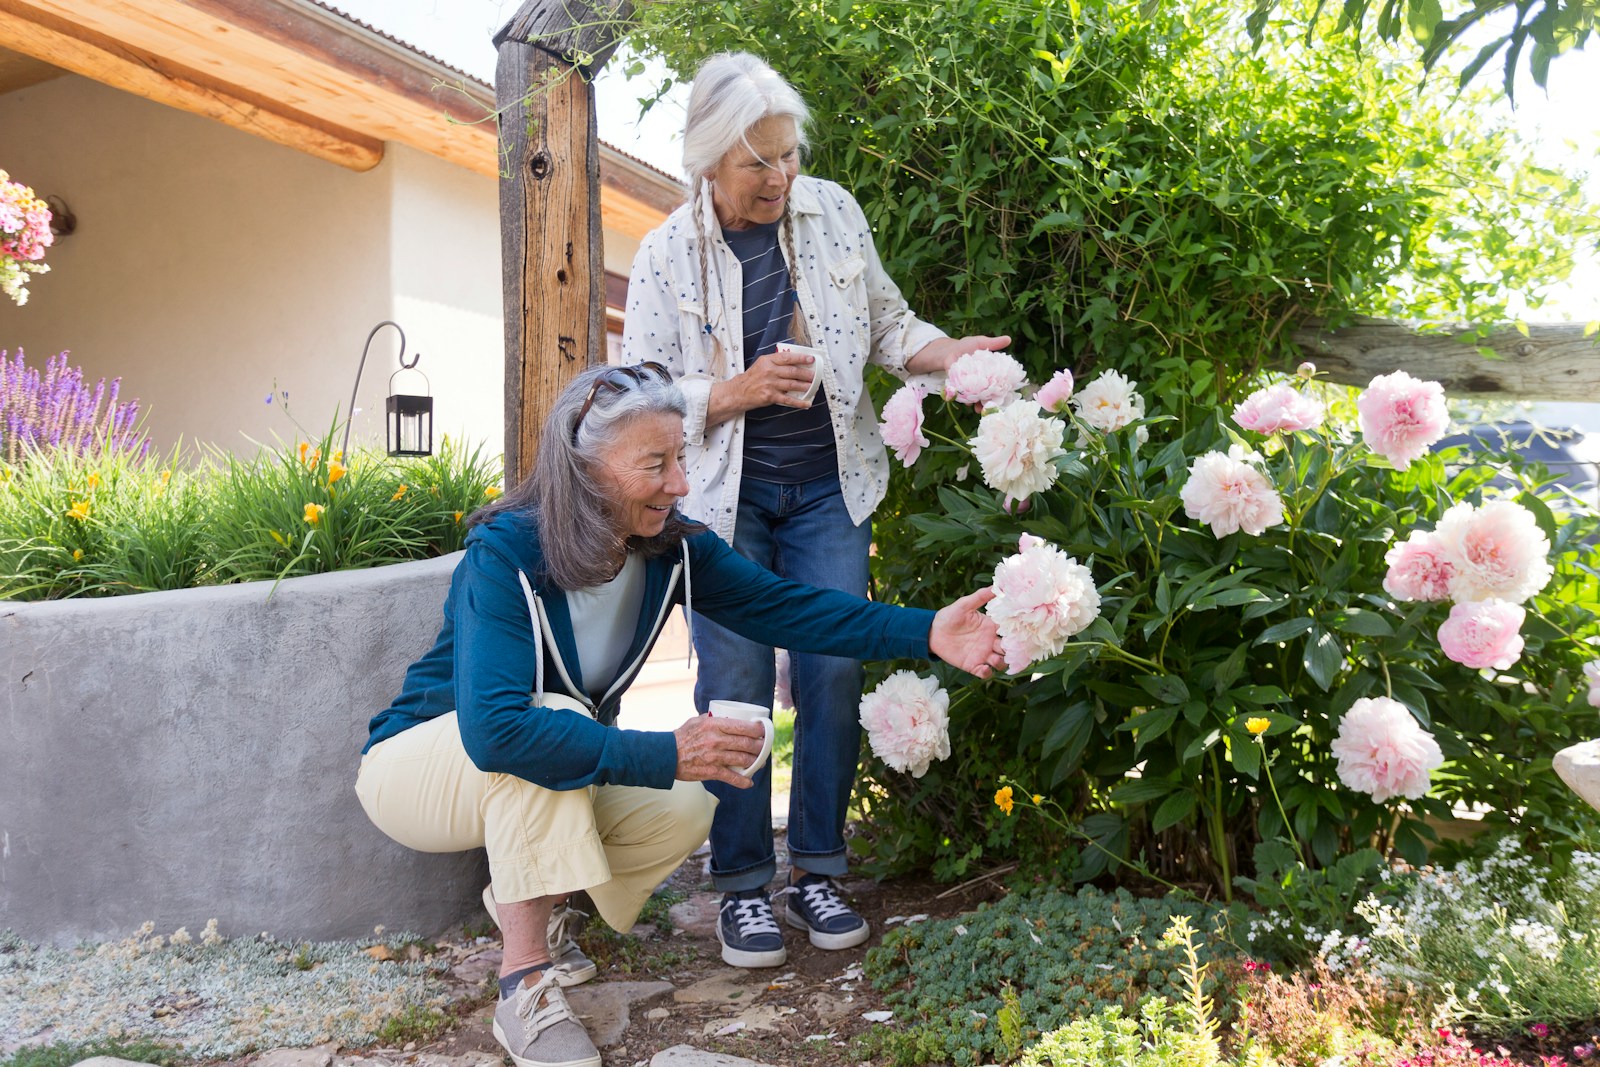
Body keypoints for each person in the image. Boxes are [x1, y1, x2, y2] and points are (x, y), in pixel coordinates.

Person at [355, 365, 1006, 1067]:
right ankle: (525, 984)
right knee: (545, 720)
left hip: (521, 759)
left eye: (680, 459)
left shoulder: (672, 549)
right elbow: (496, 731)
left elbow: (789, 606)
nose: (681, 483)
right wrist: (665, 752)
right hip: (416, 767)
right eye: (655, 464)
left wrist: (927, 632)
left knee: (694, 801)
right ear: (586, 468)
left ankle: (538, 890)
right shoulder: (505, 555)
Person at [622, 51, 1011, 969]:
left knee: (834, 665)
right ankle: (746, 884)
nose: (780, 176)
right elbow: (635, 395)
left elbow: (886, 325)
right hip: (724, 504)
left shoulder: (832, 211)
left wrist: (952, 354)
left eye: (788, 155)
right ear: (709, 160)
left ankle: (821, 870)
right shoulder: (664, 253)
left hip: (833, 487)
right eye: (759, 161)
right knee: (738, 686)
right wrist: (738, 390)